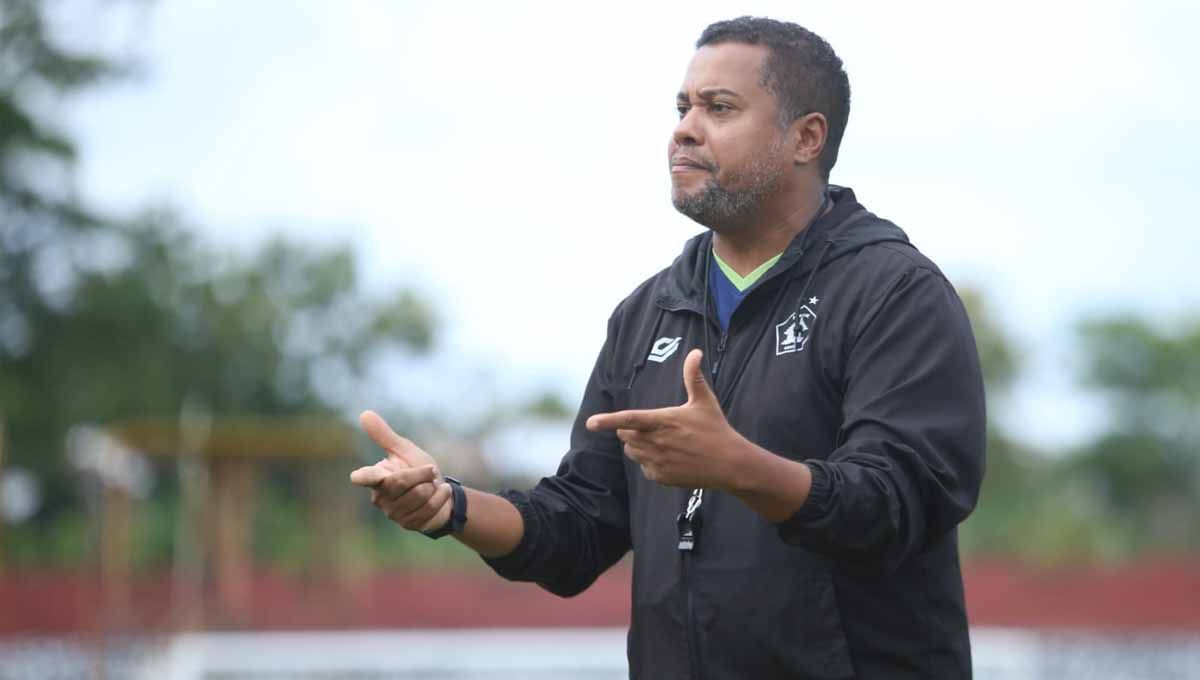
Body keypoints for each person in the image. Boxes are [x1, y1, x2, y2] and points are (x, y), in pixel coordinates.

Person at [351, 16, 985, 679]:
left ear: (806, 137)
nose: (684, 128)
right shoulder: (648, 312)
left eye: (720, 107)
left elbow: (893, 505)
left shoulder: (894, 293)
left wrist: (737, 465)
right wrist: (448, 506)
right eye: (683, 107)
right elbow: (577, 528)